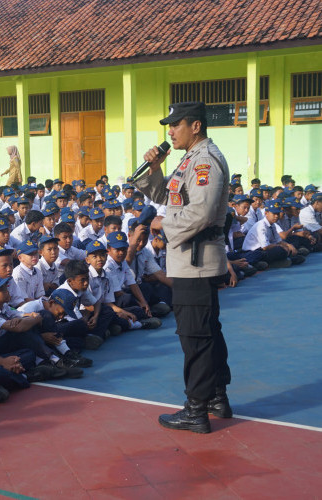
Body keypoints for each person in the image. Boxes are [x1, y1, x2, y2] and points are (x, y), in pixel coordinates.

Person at [137, 101, 232, 434]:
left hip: (197, 261)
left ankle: (196, 409)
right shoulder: (188, 159)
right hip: (192, 259)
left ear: (196, 126)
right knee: (206, 333)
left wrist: (164, 225)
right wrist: (155, 168)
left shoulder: (205, 161)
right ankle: (216, 397)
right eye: (169, 126)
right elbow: (167, 195)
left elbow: (202, 214)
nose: (170, 131)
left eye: (176, 125)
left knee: (195, 337)